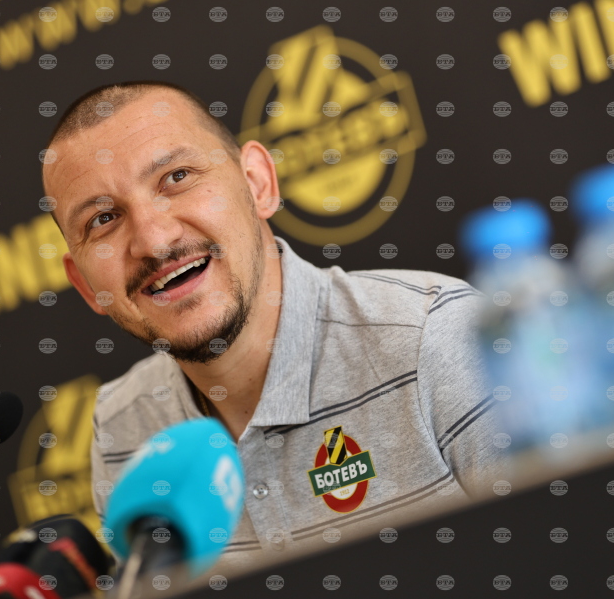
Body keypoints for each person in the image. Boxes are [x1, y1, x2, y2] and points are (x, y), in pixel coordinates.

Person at [42, 80, 509, 575]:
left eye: (176, 177)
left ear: (257, 183)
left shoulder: (439, 338)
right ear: (86, 285)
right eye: (103, 219)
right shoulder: (123, 428)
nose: (154, 241)